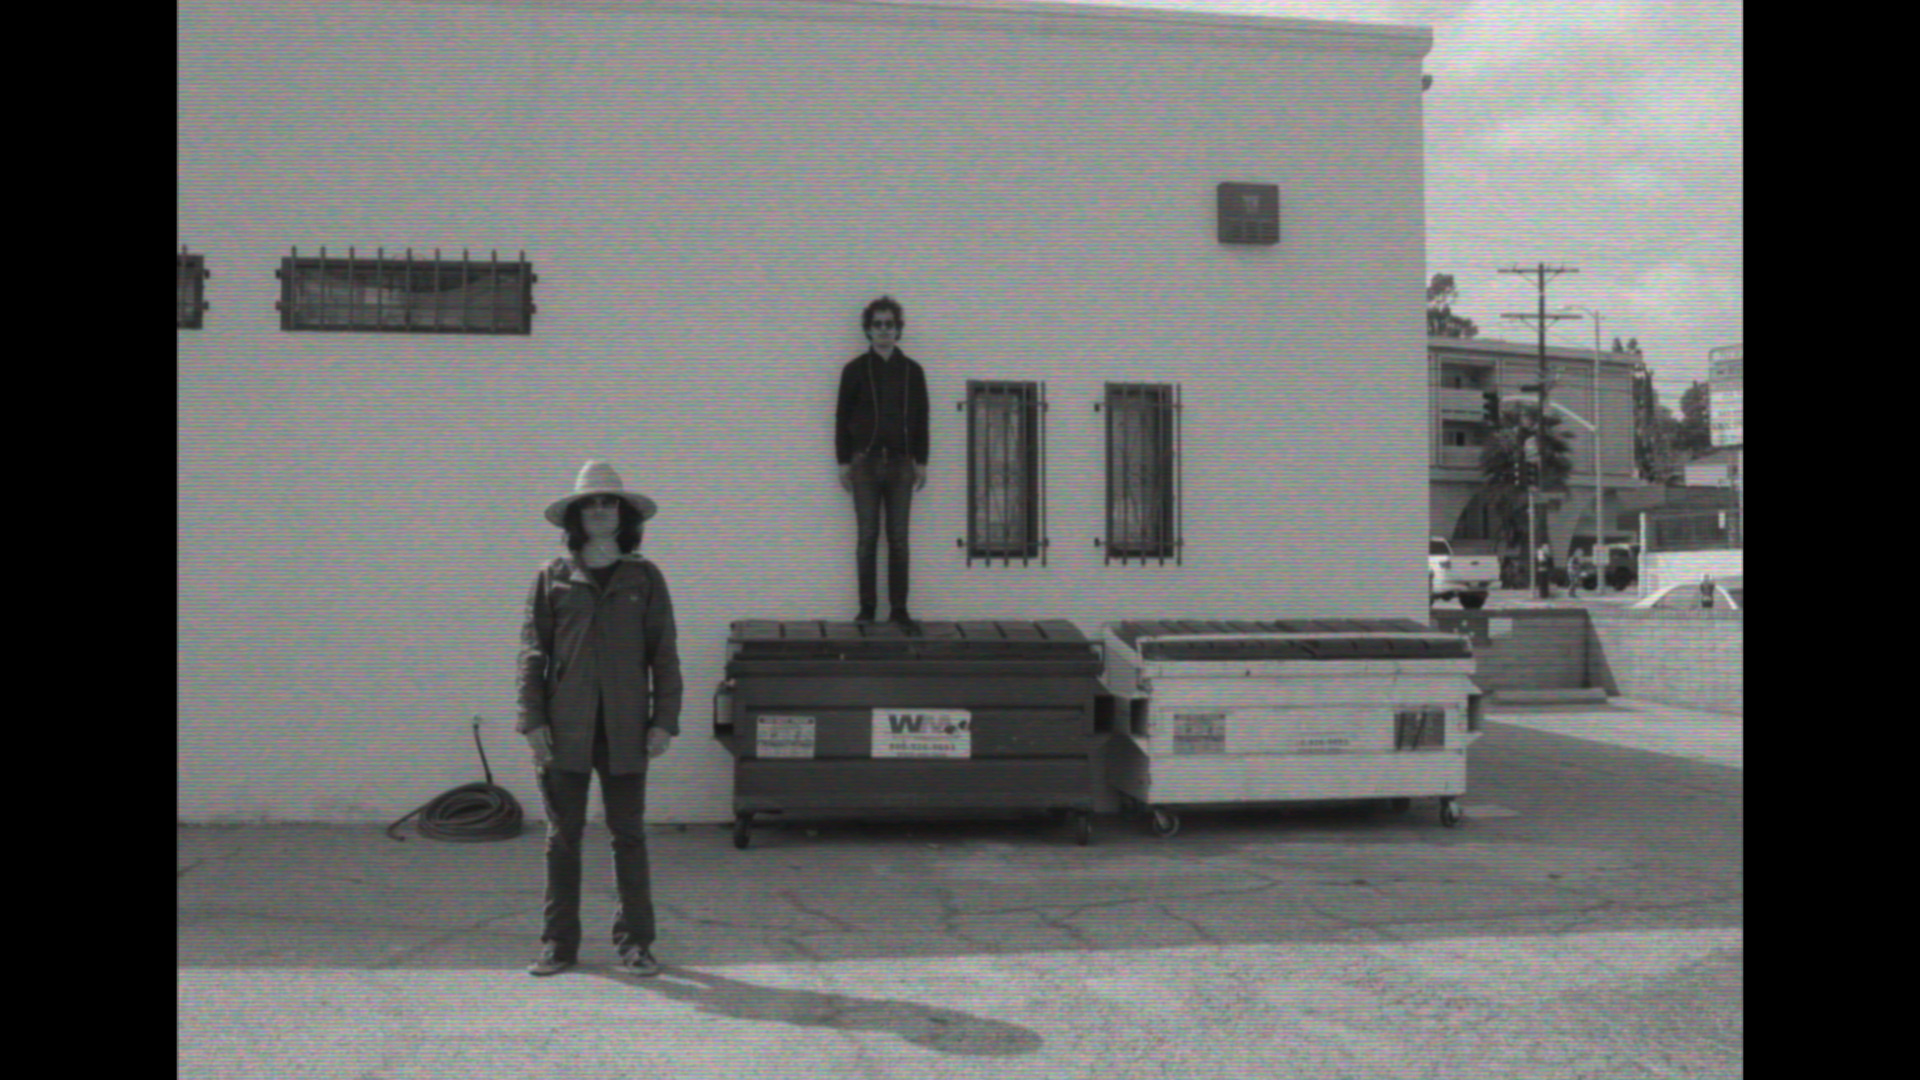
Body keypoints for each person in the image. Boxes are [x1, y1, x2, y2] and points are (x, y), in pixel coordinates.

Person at [516, 460, 683, 978]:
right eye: (590, 503)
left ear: (623, 513)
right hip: (565, 727)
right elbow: (531, 653)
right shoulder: (553, 577)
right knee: (562, 836)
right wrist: (532, 719)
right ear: (576, 515)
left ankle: (636, 944)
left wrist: (663, 722)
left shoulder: (644, 577)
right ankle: (558, 945)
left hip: (626, 728)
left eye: (609, 502)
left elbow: (664, 656)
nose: (600, 511)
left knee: (627, 835)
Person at [835, 296, 930, 627]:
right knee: (867, 537)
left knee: (899, 539)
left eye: (889, 324)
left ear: (898, 329)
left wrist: (922, 461)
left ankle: (899, 609)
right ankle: (867, 609)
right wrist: (843, 461)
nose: (884, 331)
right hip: (864, 464)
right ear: (868, 330)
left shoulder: (913, 372)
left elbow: (922, 419)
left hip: (902, 464)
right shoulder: (855, 370)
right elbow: (841, 417)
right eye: (877, 325)